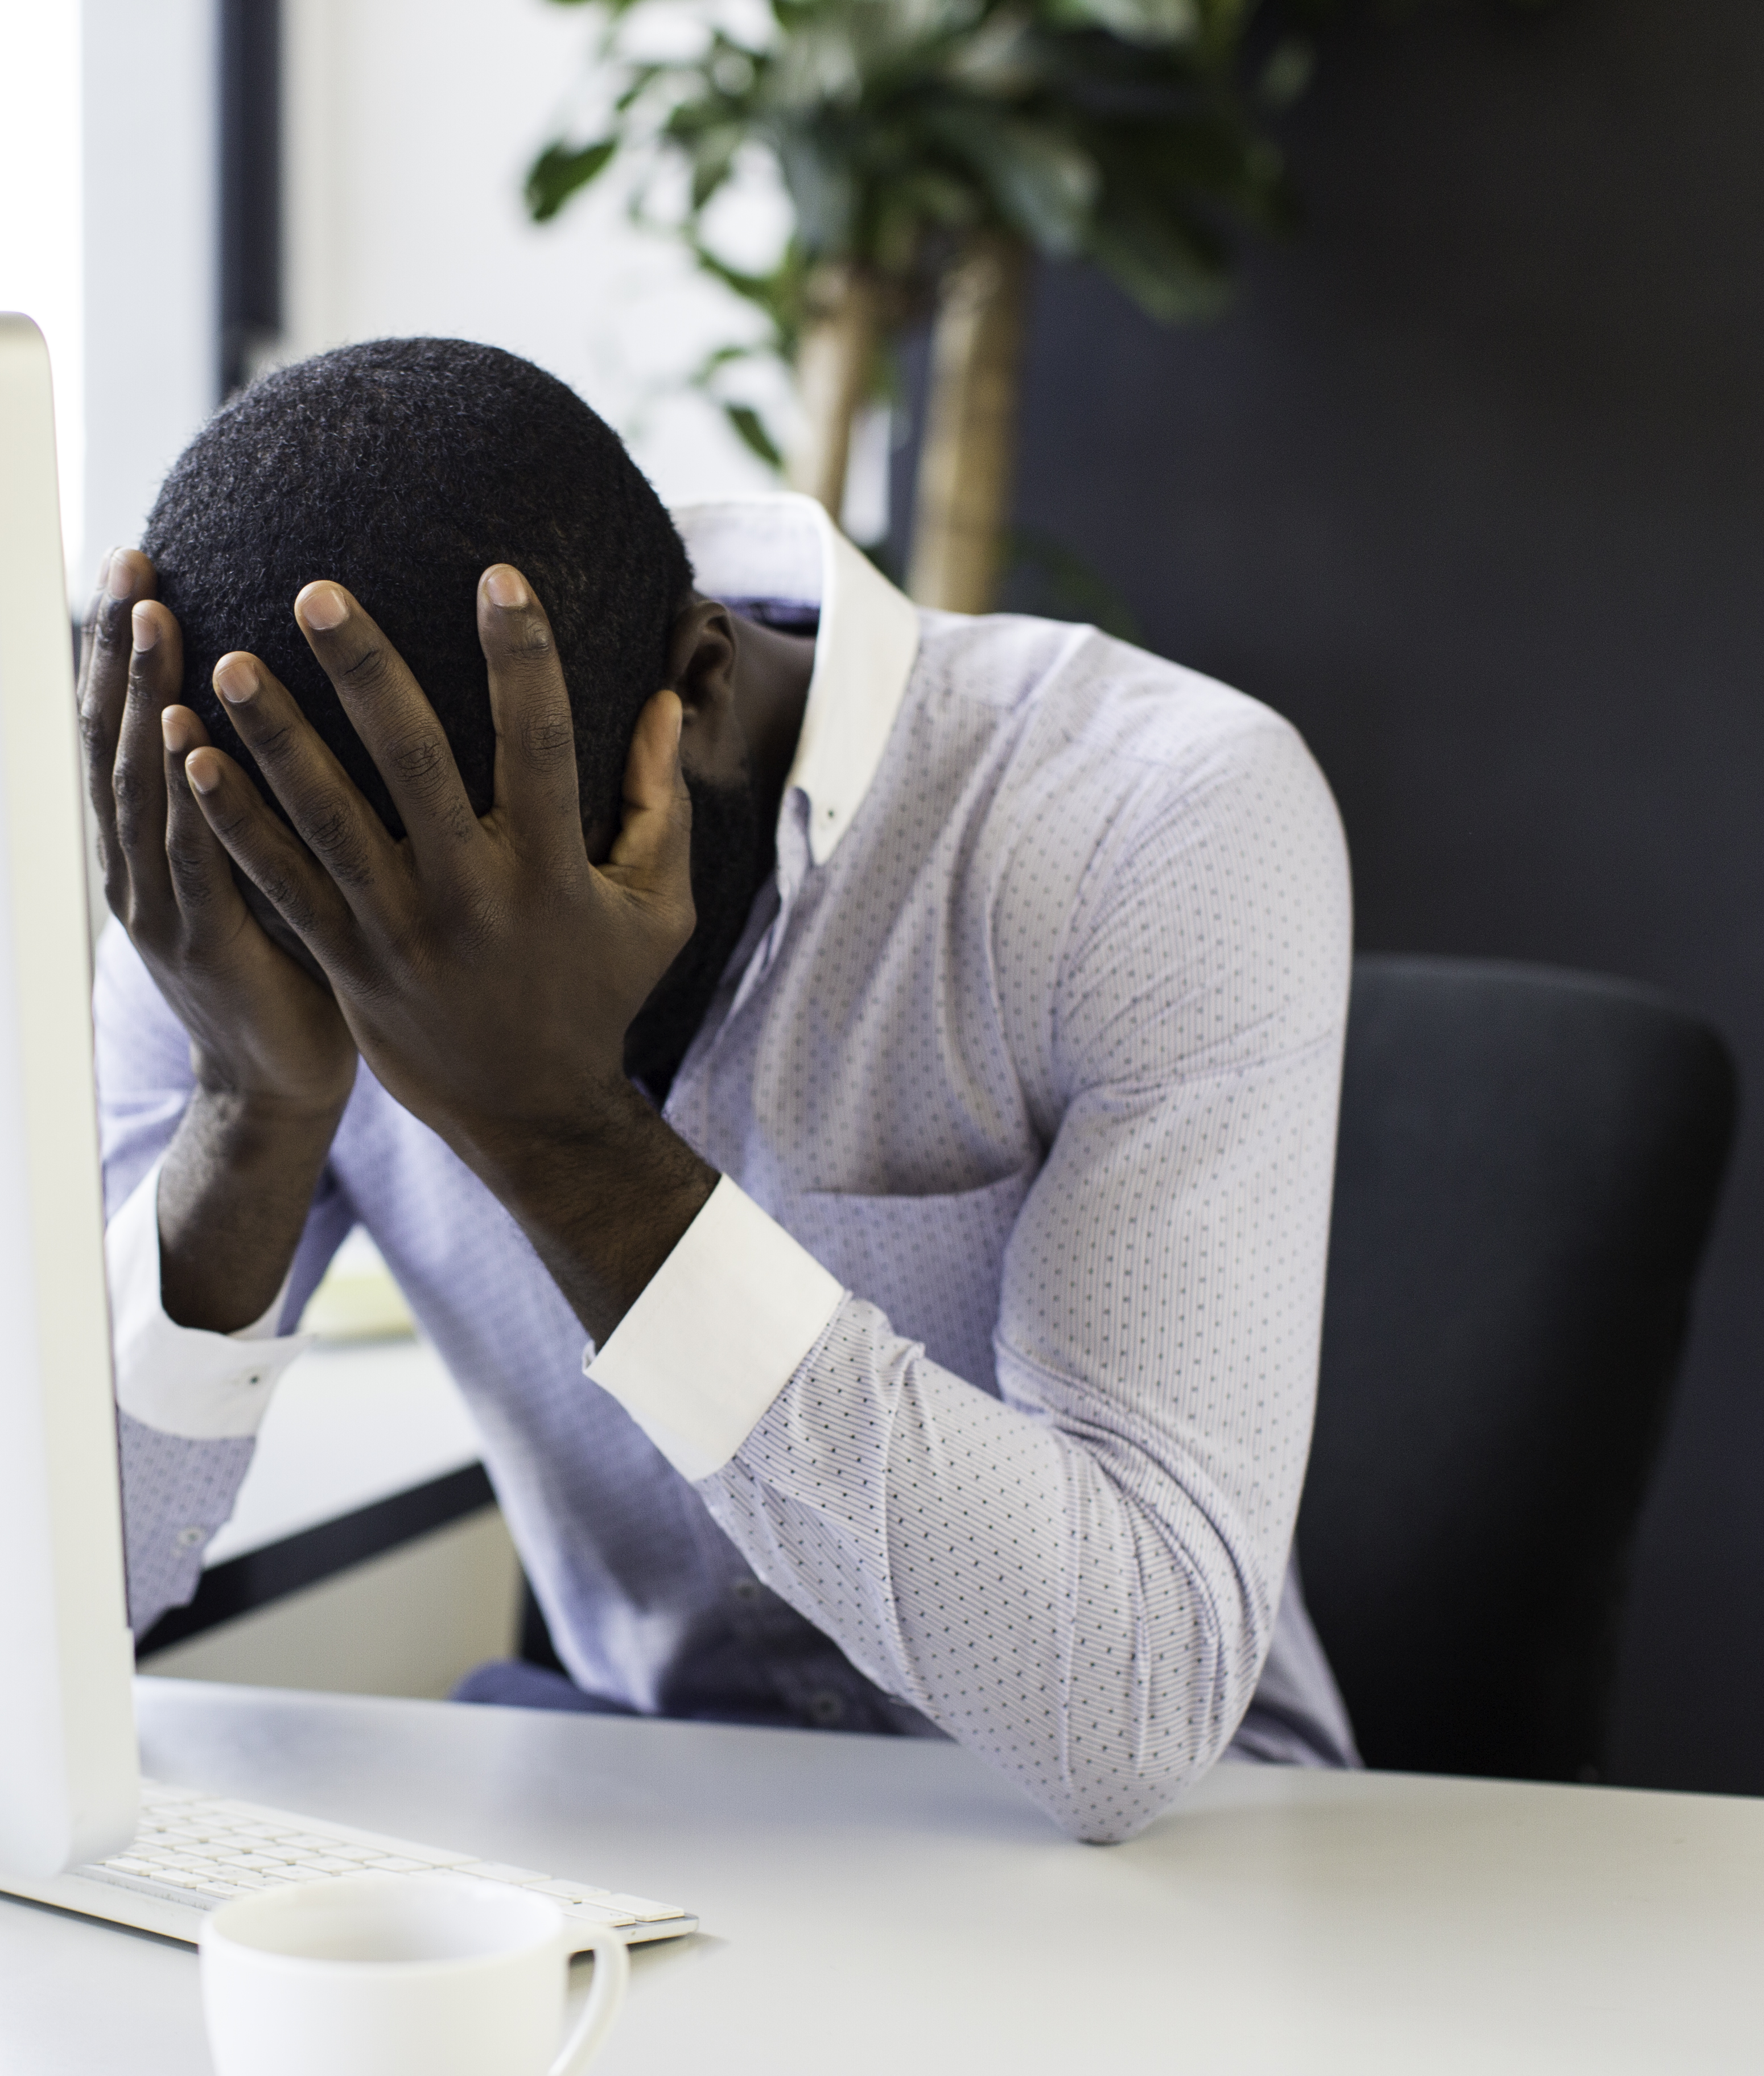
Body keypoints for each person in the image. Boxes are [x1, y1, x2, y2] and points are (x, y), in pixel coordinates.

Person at [79, 337, 1355, 1844]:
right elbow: (48, 1606)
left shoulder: (1146, 819)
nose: (373, 969)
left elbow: (1131, 1712)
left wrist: (554, 1131)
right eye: (318, 923)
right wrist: (248, 1108)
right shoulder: (241, 864)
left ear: (692, 694)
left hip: (1168, 1863)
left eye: (431, 925)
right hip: (659, 1810)